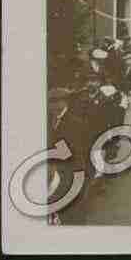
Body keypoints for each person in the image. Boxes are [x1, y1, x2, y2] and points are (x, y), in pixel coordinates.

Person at [47, 88, 89, 225]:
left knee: (72, 215)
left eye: (57, 101)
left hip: (70, 173)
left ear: (65, 103)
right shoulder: (49, 121)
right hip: (54, 173)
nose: (53, 106)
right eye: (50, 102)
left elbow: (76, 151)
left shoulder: (75, 123)